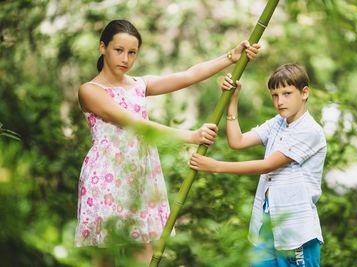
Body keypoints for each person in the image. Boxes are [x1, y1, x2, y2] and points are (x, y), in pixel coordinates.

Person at [75, 19, 260, 265]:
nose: (125, 59)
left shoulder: (139, 85)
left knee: (145, 256)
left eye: (132, 53)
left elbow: (189, 75)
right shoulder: (90, 90)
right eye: (118, 50)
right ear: (103, 47)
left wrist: (231, 57)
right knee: (104, 258)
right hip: (107, 175)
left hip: (139, 177)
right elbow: (135, 124)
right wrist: (190, 136)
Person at [189, 63, 327, 266]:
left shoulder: (309, 130)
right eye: (275, 95)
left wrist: (215, 166)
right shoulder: (278, 123)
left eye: (287, 93)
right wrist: (232, 100)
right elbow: (237, 141)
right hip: (267, 224)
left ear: (304, 93)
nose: (280, 101)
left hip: (296, 231)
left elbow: (267, 165)